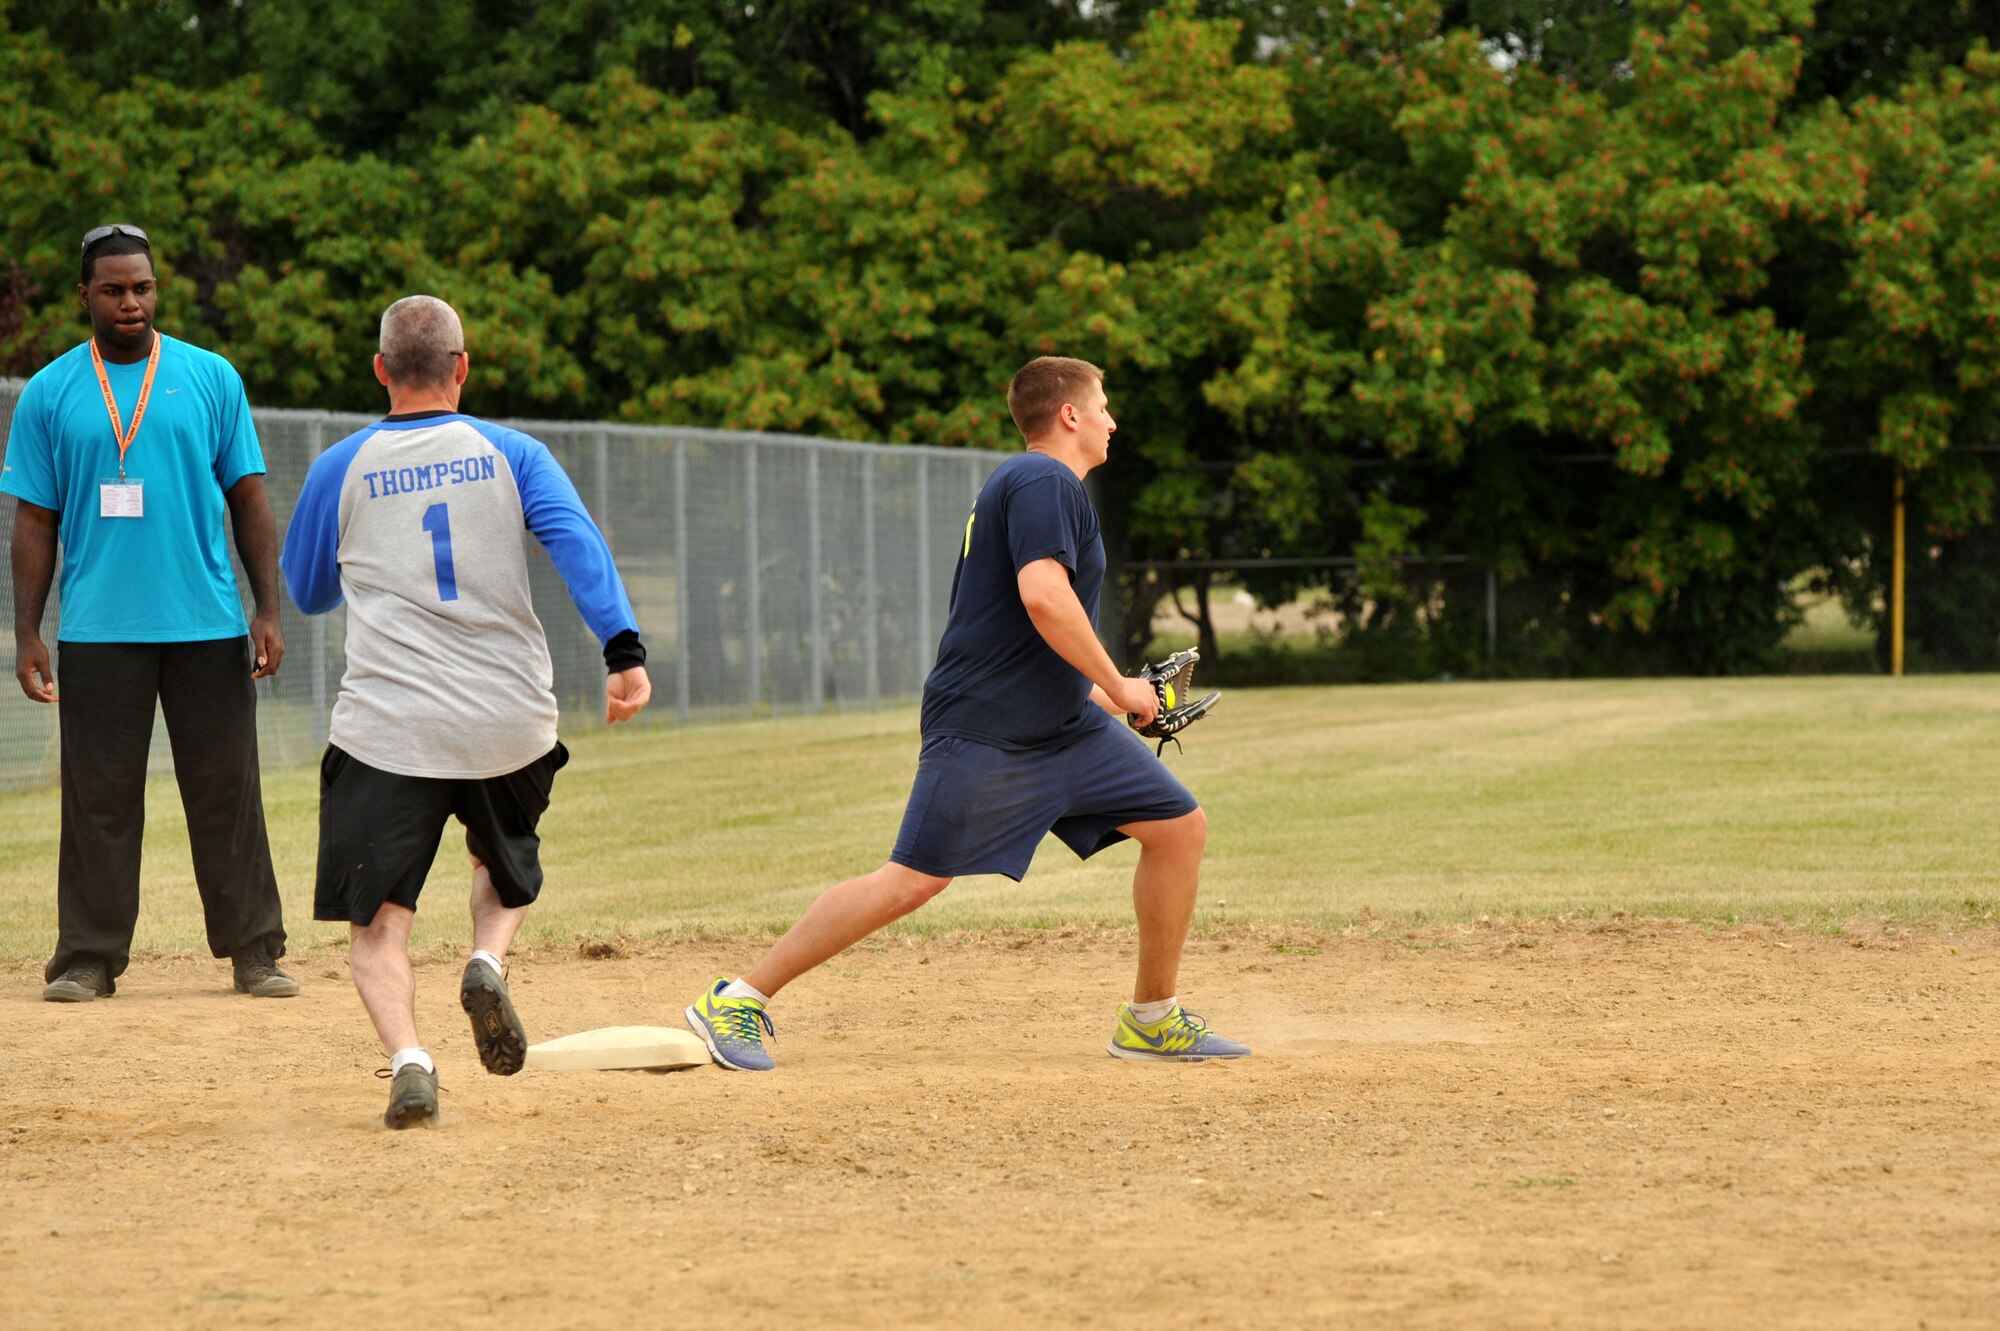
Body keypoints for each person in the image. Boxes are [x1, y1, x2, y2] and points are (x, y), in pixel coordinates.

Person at [685, 355, 1248, 1069]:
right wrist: (1124, 684)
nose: (1112, 418)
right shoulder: (1043, 477)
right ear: (1069, 414)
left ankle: (1151, 1017)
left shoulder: (1043, 488)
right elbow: (1044, 597)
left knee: (1177, 826)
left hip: (1062, 729)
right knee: (912, 879)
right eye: (1102, 404)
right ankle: (737, 997)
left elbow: (1034, 638)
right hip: (987, 728)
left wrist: (1117, 700)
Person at [281, 295, 652, 1129]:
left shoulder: (340, 464)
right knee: (504, 863)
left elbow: (304, 592)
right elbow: (577, 546)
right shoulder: (513, 450)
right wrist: (622, 650)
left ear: (380, 371)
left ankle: (411, 1061)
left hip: (389, 725)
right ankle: (488, 958)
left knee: (378, 926)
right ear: (463, 368)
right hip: (507, 718)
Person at [3, 223, 295, 1003]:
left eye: (143, 287)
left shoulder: (209, 377)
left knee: (227, 792)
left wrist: (267, 609)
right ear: (85, 296)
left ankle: (254, 951)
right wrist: (29, 629)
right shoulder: (52, 391)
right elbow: (34, 519)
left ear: (155, 289)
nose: (131, 302)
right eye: (113, 289)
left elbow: (250, 497)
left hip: (206, 622)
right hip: (98, 629)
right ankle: (88, 957)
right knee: (98, 799)